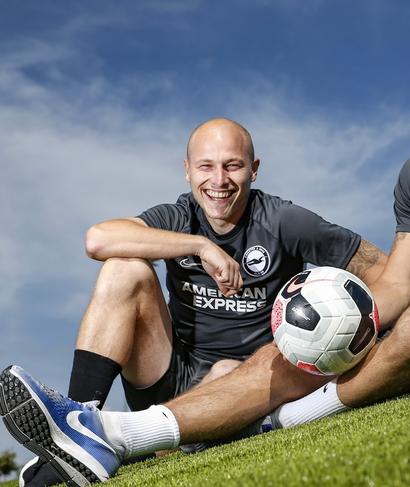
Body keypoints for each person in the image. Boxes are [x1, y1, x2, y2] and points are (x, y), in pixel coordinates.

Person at [2, 18, 410, 486]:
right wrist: (344, 323)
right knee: (294, 342)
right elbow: (397, 281)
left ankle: (271, 420)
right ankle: (104, 433)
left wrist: (399, 314)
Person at [14, 117, 387, 486]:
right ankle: (75, 429)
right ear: (187, 171)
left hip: (241, 385)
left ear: (254, 170)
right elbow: (98, 239)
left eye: (233, 166)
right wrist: (200, 245)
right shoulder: (179, 217)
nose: (219, 180)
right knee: (124, 270)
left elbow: (381, 268)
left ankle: (180, 435)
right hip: (171, 376)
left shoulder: (284, 221)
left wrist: (373, 337)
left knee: (225, 369)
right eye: (206, 166)